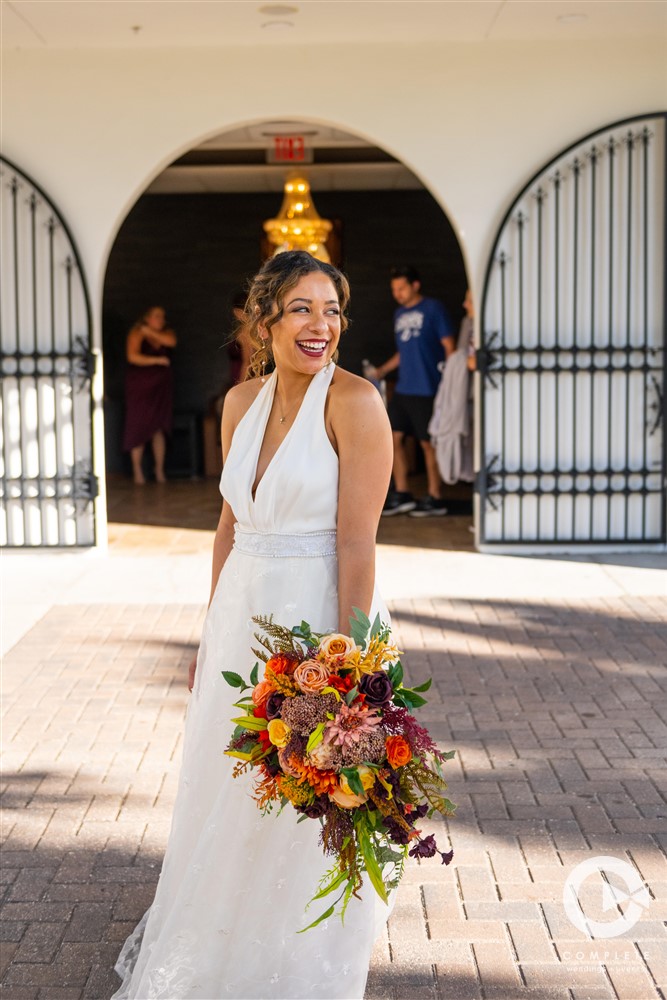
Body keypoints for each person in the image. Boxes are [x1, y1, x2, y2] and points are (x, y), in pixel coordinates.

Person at [112, 251, 393, 1000]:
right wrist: (211, 635)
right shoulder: (240, 403)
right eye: (302, 308)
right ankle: (223, 946)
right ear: (263, 319)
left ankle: (300, 968)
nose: (321, 326)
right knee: (232, 788)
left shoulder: (355, 402)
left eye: (331, 310)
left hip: (318, 620)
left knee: (313, 798)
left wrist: (350, 669)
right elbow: (228, 526)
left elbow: (358, 544)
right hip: (243, 622)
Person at [367, 265, 455, 516]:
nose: (398, 293)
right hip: (404, 388)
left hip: (428, 388)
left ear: (415, 285)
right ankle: (403, 493)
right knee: (393, 439)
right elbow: (403, 353)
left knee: (428, 443)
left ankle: (435, 496)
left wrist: (448, 383)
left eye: (402, 288)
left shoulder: (433, 309)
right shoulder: (398, 315)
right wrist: (381, 370)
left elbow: (449, 345)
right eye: (394, 289)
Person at [122, 306, 177, 484]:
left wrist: (150, 332)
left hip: (161, 389)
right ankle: (138, 471)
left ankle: (159, 470)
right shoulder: (137, 333)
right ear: (147, 318)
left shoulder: (167, 333)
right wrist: (157, 360)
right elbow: (132, 356)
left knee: (159, 428)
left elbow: (171, 342)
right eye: (156, 316)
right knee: (138, 426)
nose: (161, 319)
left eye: (162, 316)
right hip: (140, 387)